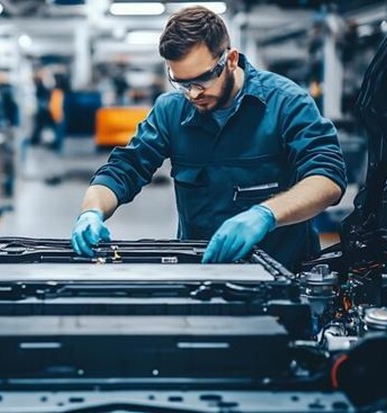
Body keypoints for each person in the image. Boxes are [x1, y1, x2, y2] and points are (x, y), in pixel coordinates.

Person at [70, 6, 347, 271]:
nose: (192, 94)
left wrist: (266, 214)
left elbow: (328, 178)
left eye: (202, 80)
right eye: (181, 82)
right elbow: (123, 169)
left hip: (283, 276)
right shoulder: (171, 110)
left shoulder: (285, 102)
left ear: (231, 60)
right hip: (201, 274)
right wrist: (91, 212)